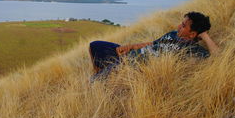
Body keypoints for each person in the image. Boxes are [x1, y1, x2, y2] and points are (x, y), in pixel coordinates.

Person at [89, 11, 219, 81]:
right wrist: (130, 46)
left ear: (192, 34)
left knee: (93, 83)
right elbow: (154, 43)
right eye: (181, 23)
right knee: (95, 45)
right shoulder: (173, 34)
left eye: (184, 26)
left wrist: (205, 36)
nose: (179, 26)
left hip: (130, 66)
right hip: (127, 55)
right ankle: (101, 71)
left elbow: (218, 57)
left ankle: (102, 78)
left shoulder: (192, 50)